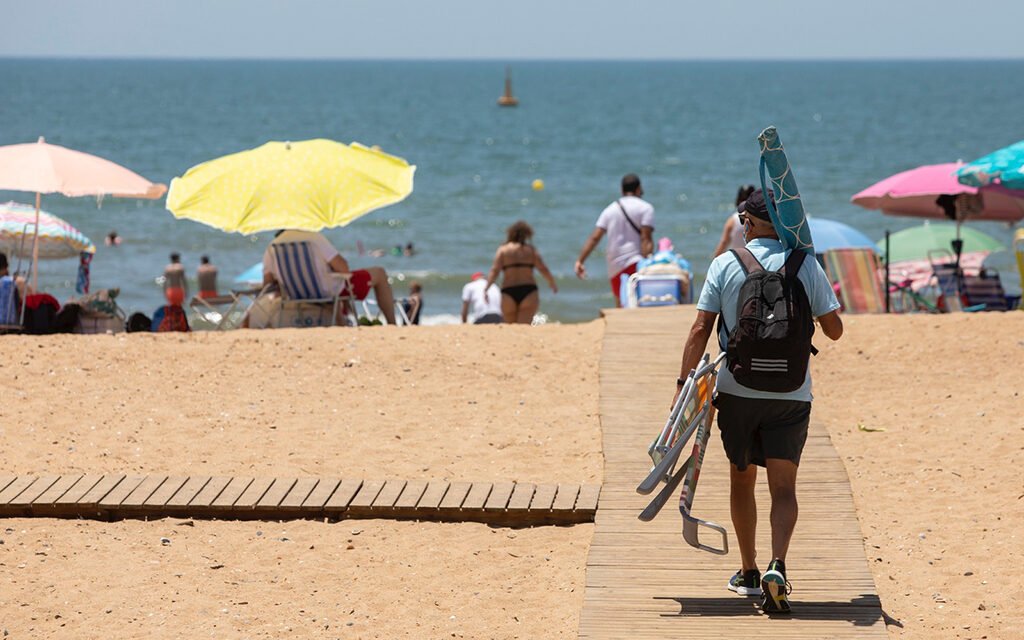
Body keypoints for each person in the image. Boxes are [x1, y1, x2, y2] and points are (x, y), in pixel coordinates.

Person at [673, 188, 843, 614]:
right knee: (784, 486)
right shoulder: (806, 264)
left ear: (747, 224)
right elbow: (835, 330)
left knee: (741, 478)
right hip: (791, 392)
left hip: (737, 390)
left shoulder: (725, 264)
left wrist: (682, 386)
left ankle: (748, 571)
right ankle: (778, 564)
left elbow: (699, 329)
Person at [262, 229, 396, 325]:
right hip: (327, 292)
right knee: (379, 273)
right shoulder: (314, 238)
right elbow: (344, 268)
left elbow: (268, 283)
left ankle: (341, 320)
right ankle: (392, 323)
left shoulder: (272, 246)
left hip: (294, 295)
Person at [574, 173, 654, 306]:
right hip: (637, 263)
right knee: (639, 303)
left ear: (622, 190)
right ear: (639, 189)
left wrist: (580, 261)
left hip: (615, 266)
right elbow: (646, 239)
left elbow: (595, 237)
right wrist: (649, 263)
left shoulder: (610, 210)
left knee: (621, 302)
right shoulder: (646, 208)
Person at [485, 221, 558, 324]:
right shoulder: (531, 250)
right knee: (524, 327)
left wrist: (487, 288)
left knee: (510, 328)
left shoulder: (503, 250)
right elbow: (543, 269)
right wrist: (552, 283)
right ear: (527, 234)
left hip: (508, 291)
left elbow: (495, 270)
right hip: (529, 291)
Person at [712, 184, 756, 257]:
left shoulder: (732, 221)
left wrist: (714, 262)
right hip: (755, 260)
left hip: (738, 260)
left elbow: (724, 243)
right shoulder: (759, 220)